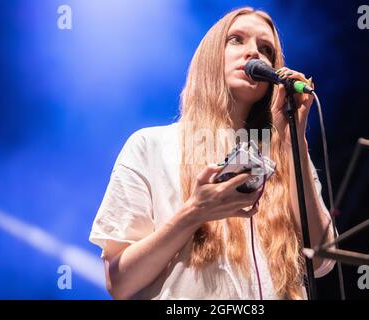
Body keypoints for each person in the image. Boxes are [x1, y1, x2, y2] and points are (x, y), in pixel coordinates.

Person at [89, 7, 335, 300]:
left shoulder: (286, 154)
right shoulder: (151, 146)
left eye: (266, 49)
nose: (253, 53)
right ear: (210, 56)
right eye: (236, 40)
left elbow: (321, 261)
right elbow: (120, 283)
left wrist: (292, 142)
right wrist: (194, 212)